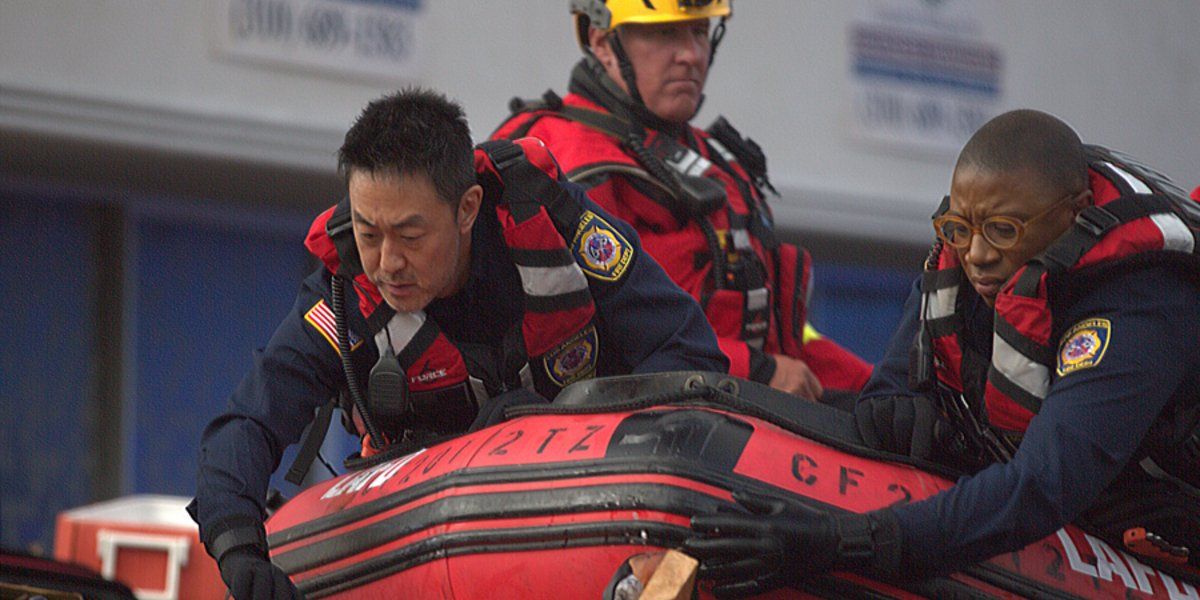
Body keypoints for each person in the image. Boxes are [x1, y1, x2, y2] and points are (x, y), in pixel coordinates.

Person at [188, 88, 728, 600]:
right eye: (368, 233)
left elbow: (686, 354)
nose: (387, 263)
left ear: (467, 208)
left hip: (595, 507)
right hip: (411, 539)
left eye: (410, 235)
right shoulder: (343, 296)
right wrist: (239, 549)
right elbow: (250, 421)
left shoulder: (555, 224)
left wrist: (565, 431)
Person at [684, 109, 1200, 596]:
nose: (976, 255)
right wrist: (893, 400)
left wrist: (841, 541)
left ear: (1076, 215)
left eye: (1003, 232)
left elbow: (1041, 487)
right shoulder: (965, 254)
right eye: (961, 229)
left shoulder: (1140, 305)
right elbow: (886, 390)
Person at [491, 0, 872, 401]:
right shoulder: (554, 157)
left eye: (699, 32)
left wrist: (882, 390)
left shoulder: (716, 158)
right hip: (630, 425)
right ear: (602, 41)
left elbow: (784, 343)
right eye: (664, 33)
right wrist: (756, 370)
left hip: (737, 411)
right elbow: (585, 337)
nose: (690, 55)